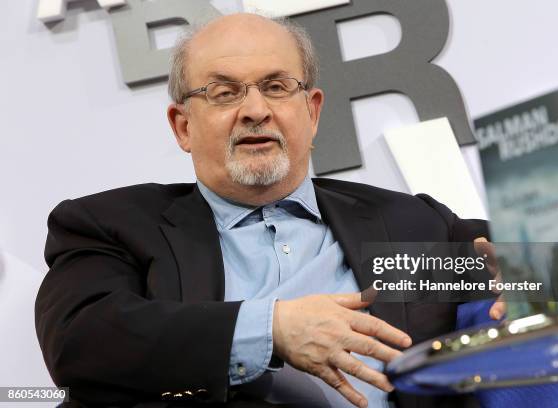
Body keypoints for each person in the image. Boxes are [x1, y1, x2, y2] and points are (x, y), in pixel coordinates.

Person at [35, 13, 501, 408]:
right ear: (183, 127)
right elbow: (78, 339)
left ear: (312, 112)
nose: (255, 109)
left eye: (277, 87)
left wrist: (532, 275)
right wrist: (270, 329)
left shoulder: (411, 224)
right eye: (224, 92)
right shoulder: (113, 225)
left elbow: (529, 266)